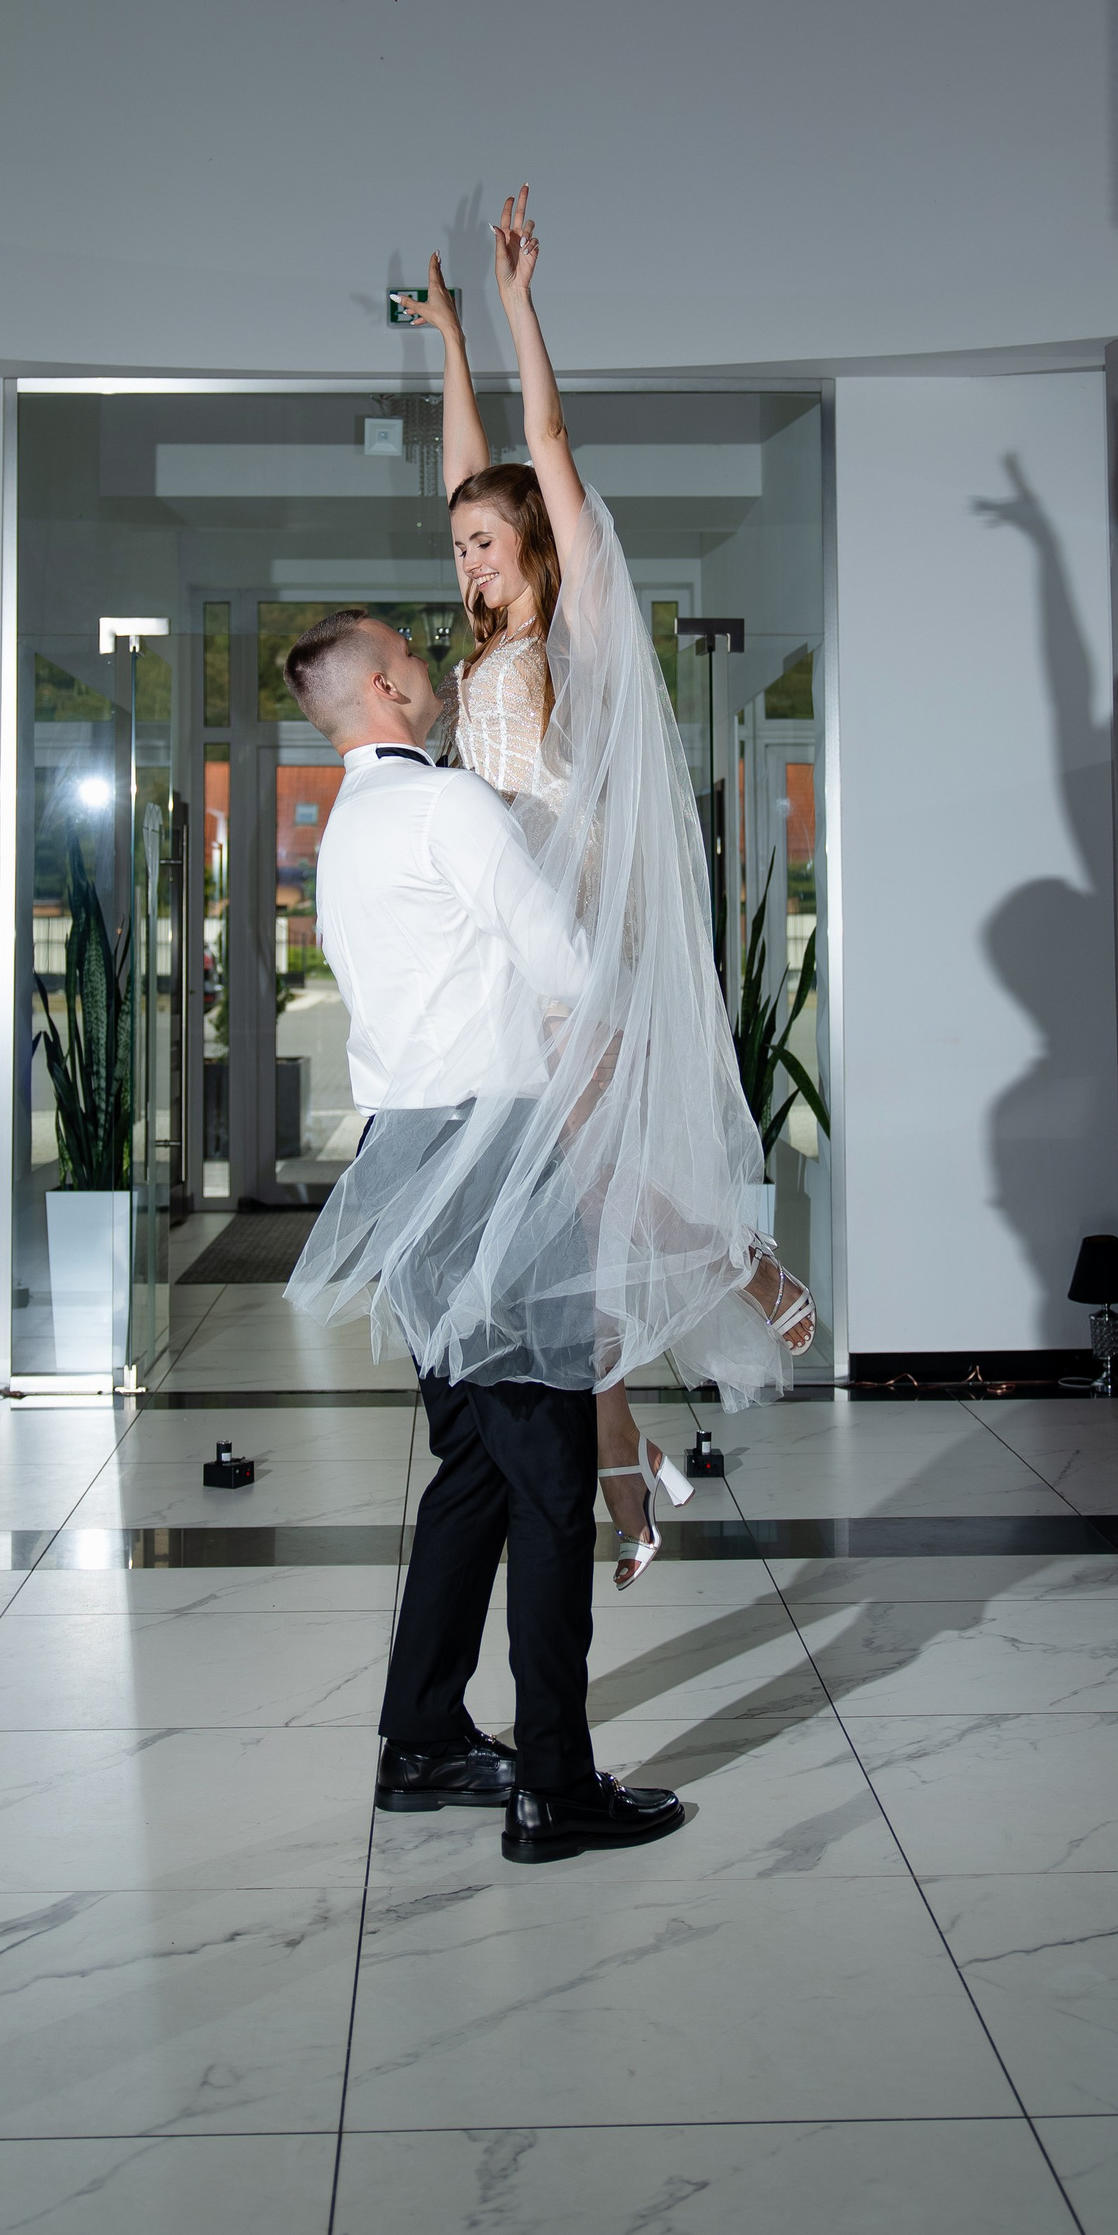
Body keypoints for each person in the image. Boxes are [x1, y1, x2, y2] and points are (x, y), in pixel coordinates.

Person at [388, 192, 814, 1584]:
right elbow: (471, 476)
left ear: (535, 549)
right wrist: (448, 345)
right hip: (510, 941)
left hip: (569, 928)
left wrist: (517, 311)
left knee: (588, 1182)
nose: (467, 556)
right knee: (557, 1219)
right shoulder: (484, 640)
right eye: (460, 544)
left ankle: (743, 1266)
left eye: (486, 542)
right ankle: (626, 1477)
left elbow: (545, 451)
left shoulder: (572, 635)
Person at [282, 604, 685, 1863]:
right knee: (553, 1476)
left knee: (470, 1460)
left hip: (404, 1164)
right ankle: (555, 1787)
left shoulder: (347, 828)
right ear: (384, 686)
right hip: (491, 1161)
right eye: (410, 655)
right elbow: (566, 965)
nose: (429, 665)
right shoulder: (449, 804)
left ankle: (422, 1738)